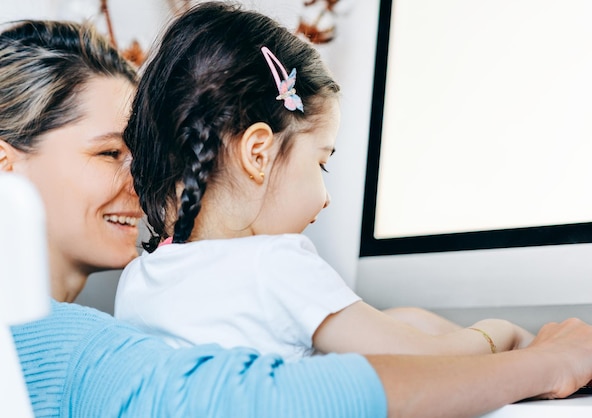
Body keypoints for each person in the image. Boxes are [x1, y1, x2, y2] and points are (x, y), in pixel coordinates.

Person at [3, 16, 592, 418]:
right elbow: (257, 398)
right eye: (111, 152)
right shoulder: (64, 346)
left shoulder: (142, 283)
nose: (137, 178)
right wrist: (524, 351)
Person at [115, 1, 533, 361]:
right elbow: (428, 362)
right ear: (257, 154)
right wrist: (506, 334)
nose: (326, 198)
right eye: (321, 163)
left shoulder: (140, 279)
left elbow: (357, 324)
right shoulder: (274, 263)